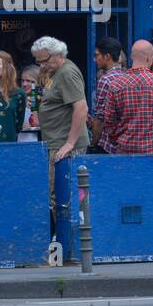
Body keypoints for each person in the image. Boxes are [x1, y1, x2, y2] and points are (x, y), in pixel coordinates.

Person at [33, 36, 89, 233]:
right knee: (57, 195)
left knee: (62, 196)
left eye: (44, 60)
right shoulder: (56, 72)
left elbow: (81, 108)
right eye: (38, 61)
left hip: (63, 145)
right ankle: (65, 242)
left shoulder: (67, 73)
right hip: (55, 141)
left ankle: (69, 244)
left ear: (58, 54)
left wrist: (70, 143)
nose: (41, 65)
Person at [88, 37, 124, 152]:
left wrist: (93, 143)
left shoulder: (106, 80)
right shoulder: (126, 77)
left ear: (107, 56)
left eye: (97, 55)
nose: (94, 59)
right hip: (123, 142)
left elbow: (100, 118)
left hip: (108, 144)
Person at [17, 65, 43, 143]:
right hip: (20, 143)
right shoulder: (18, 98)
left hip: (38, 143)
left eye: (29, 81)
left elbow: (36, 123)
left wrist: (34, 107)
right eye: (22, 80)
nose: (24, 84)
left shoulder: (45, 99)